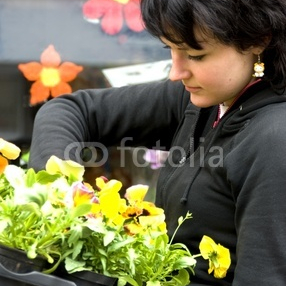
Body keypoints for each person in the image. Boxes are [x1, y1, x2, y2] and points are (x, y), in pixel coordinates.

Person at [28, 0, 286, 285]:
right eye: (170, 49)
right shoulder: (207, 100)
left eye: (195, 55)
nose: (176, 72)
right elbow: (71, 110)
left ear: (258, 40)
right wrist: (58, 189)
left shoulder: (274, 139)